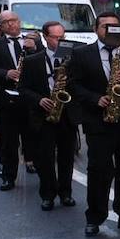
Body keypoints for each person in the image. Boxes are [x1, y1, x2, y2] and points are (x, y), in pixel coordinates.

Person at [68, 12, 120, 235]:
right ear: (95, 29)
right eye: (104, 26)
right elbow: (73, 85)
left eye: (114, 27)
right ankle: (95, 216)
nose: (109, 30)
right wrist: (95, 98)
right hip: (98, 121)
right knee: (99, 170)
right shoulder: (81, 53)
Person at [18, 21, 77, 210]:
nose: (60, 41)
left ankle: (66, 193)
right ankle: (48, 194)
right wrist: (39, 100)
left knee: (67, 157)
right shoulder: (32, 61)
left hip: (67, 115)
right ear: (45, 37)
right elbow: (23, 88)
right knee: (45, 158)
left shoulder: (72, 58)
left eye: (63, 37)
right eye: (55, 37)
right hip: (43, 115)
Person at [0, 11, 32, 188]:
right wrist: (5, 73)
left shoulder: (31, 41)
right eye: (6, 22)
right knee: (8, 139)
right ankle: (9, 174)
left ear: (19, 21)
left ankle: (32, 161)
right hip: (6, 97)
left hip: (30, 97)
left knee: (32, 134)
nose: (11, 24)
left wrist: (35, 47)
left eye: (13, 20)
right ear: (1, 26)